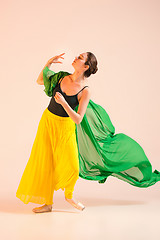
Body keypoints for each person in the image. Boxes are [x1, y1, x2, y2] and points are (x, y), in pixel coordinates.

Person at [16, 52, 95, 213]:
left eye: (80, 57)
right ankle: (48, 203)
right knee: (46, 162)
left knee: (73, 165)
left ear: (86, 66)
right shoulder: (61, 77)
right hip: (47, 122)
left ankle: (69, 197)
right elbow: (39, 81)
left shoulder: (85, 90)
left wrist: (65, 103)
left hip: (65, 128)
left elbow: (78, 119)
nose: (75, 57)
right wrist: (48, 64)